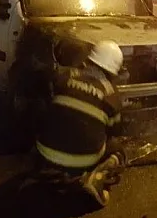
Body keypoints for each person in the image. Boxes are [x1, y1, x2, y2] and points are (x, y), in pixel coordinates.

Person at [35, 40, 127, 207]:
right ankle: (96, 179)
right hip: (81, 162)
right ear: (113, 71)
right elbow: (114, 135)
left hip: (44, 153)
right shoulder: (112, 96)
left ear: (90, 60)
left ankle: (46, 169)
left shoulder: (64, 76)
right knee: (118, 150)